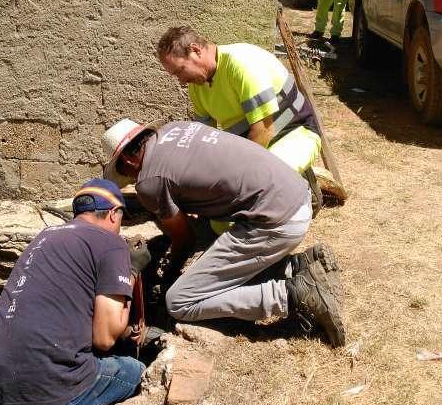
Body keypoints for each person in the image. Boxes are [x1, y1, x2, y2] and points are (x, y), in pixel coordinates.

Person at [101, 118, 346, 347]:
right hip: (296, 195)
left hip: (277, 221)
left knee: (179, 300)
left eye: (127, 174)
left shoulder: (149, 181)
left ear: (130, 161)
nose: (132, 180)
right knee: (223, 275)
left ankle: (294, 294)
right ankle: (299, 265)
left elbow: (185, 239)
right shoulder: (175, 128)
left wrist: (169, 276)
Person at [0, 179, 145, 405]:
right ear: (113, 214)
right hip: (46, 383)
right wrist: (131, 270)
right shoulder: (112, 243)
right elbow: (104, 339)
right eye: (122, 218)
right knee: (136, 371)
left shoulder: (45, 236)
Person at [156, 26, 322, 176]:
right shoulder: (197, 86)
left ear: (195, 50)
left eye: (180, 71)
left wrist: (236, 175)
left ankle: (305, 191)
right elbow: (204, 138)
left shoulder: (241, 64)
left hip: (295, 134)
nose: (182, 81)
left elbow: (264, 131)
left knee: (260, 181)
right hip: (250, 147)